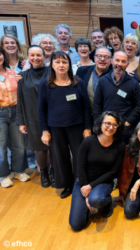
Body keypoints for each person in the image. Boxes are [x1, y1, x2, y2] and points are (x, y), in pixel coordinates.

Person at [38, 51, 92, 198]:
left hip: (77, 126)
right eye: (57, 62)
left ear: (69, 64)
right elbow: (41, 109)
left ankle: (79, 183)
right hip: (55, 128)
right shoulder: (45, 84)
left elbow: (86, 107)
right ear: (52, 65)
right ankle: (67, 184)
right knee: (60, 158)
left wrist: (87, 128)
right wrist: (45, 131)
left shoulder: (78, 82)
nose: (61, 65)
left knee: (79, 156)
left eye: (64, 62)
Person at [69, 111, 125, 231]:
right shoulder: (88, 142)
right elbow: (80, 167)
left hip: (104, 182)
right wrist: (85, 189)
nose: (111, 127)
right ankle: (90, 203)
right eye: (107, 123)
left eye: (114, 125)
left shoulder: (120, 146)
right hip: (83, 181)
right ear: (100, 123)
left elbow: (112, 172)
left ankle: (106, 202)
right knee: (76, 225)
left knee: (96, 200)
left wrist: (91, 187)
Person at [16, 45, 53, 188]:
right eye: (32, 55)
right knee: (39, 147)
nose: (36, 58)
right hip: (32, 116)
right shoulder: (23, 76)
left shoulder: (52, 72)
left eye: (39, 55)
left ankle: (55, 171)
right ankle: (44, 173)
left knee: (54, 146)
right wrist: (21, 122)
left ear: (44, 56)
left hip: (52, 114)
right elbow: (20, 100)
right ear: (28, 57)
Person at [93, 51, 140, 144]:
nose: (119, 64)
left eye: (123, 61)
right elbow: (97, 104)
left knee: (124, 156)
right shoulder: (103, 81)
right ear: (111, 61)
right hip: (106, 128)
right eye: (117, 60)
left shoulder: (133, 83)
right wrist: (99, 123)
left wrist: (128, 122)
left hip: (124, 130)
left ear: (127, 64)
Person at [0, 47, 29, 188]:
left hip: (16, 110)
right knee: (1, 146)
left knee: (19, 144)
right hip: (0, 113)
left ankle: (18, 170)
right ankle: (4, 175)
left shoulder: (13, 72)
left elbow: (23, 89)